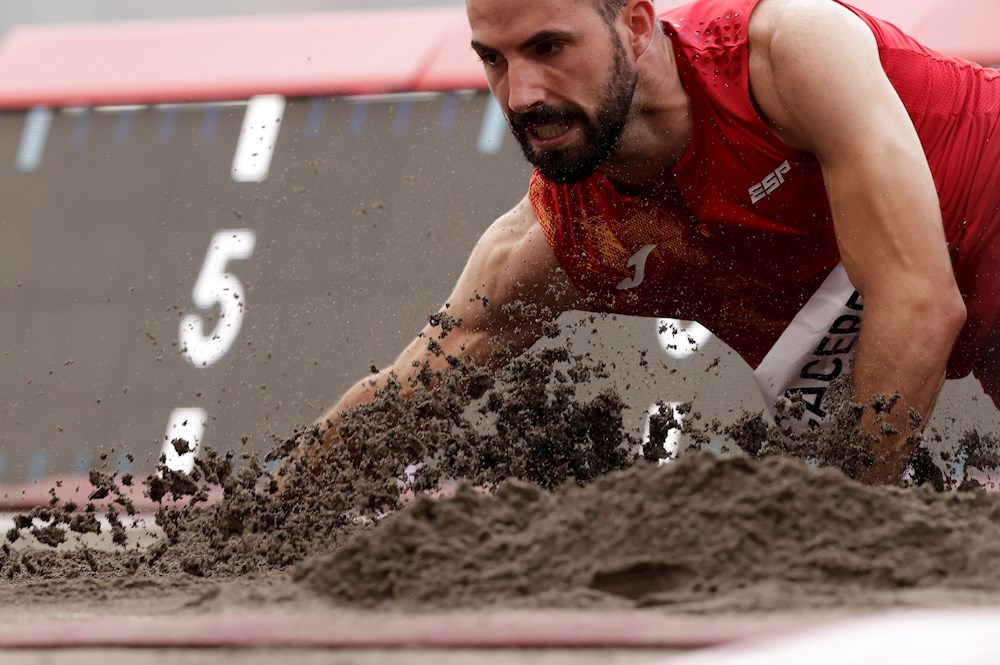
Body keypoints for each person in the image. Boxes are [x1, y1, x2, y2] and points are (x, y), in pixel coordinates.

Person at [318, 0, 1000, 485]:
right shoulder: (561, 235)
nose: (520, 93)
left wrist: (840, 532)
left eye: (549, 48)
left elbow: (920, 304)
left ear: (637, 26)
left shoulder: (787, 52)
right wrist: (257, 518)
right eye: (493, 60)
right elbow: (398, 400)